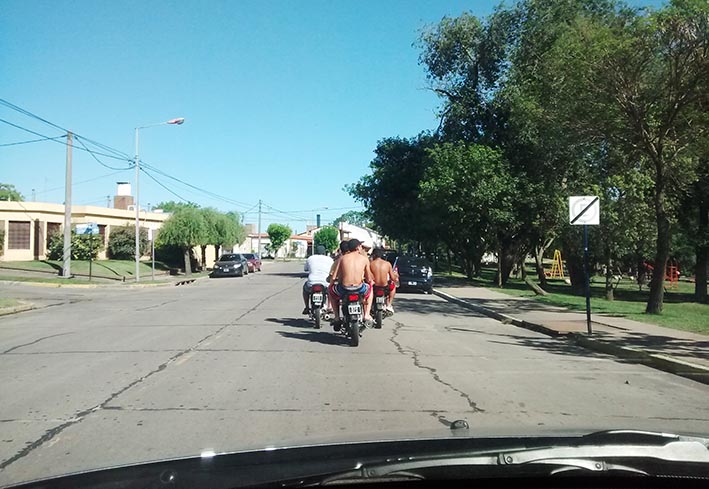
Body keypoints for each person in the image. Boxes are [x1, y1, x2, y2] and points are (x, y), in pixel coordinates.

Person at [329, 238, 374, 328]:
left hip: (344, 288)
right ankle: (367, 314)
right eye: (361, 246)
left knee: (331, 292)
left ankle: (337, 317)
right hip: (359, 288)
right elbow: (369, 278)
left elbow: (334, 277)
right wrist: (371, 282)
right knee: (370, 290)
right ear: (358, 247)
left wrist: (331, 286)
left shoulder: (342, 259)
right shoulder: (364, 259)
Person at [302, 245, 334, 315]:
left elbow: (305, 269)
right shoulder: (330, 259)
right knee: (330, 290)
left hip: (312, 282)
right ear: (324, 252)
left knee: (305, 289)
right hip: (325, 282)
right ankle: (330, 306)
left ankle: (307, 307)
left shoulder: (310, 258)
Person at [369, 248, 398, 313]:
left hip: (374, 287)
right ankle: (389, 304)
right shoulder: (387, 264)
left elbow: (368, 277)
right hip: (384, 287)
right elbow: (393, 278)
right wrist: (396, 276)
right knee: (393, 287)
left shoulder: (370, 264)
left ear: (374, 255)